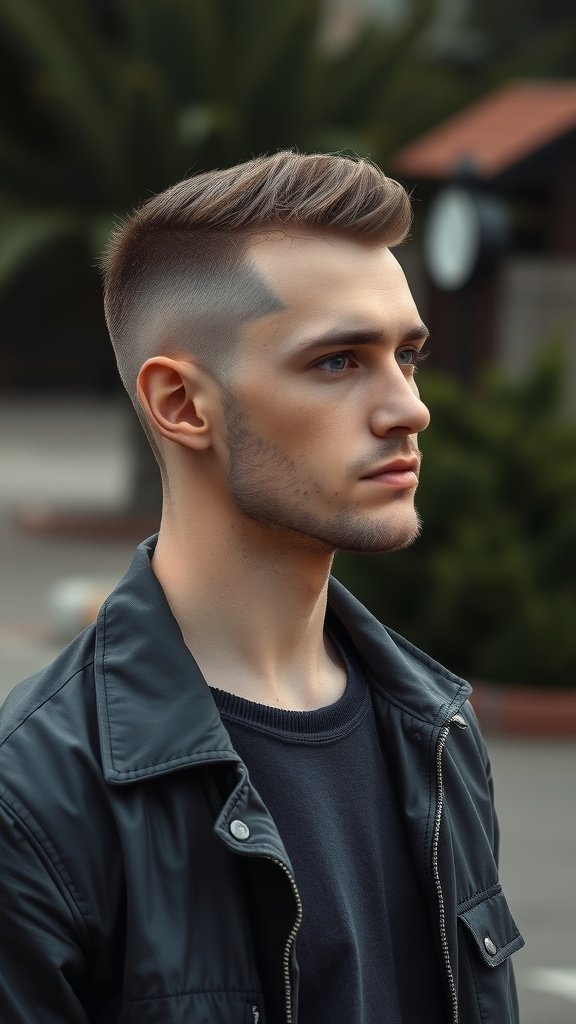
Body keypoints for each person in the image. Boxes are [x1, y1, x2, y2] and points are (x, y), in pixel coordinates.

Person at [0, 151, 524, 1023]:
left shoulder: (436, 728)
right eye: (338, 362)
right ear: (181, 405)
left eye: (408, 356)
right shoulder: (32, 800)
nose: (409, 408)